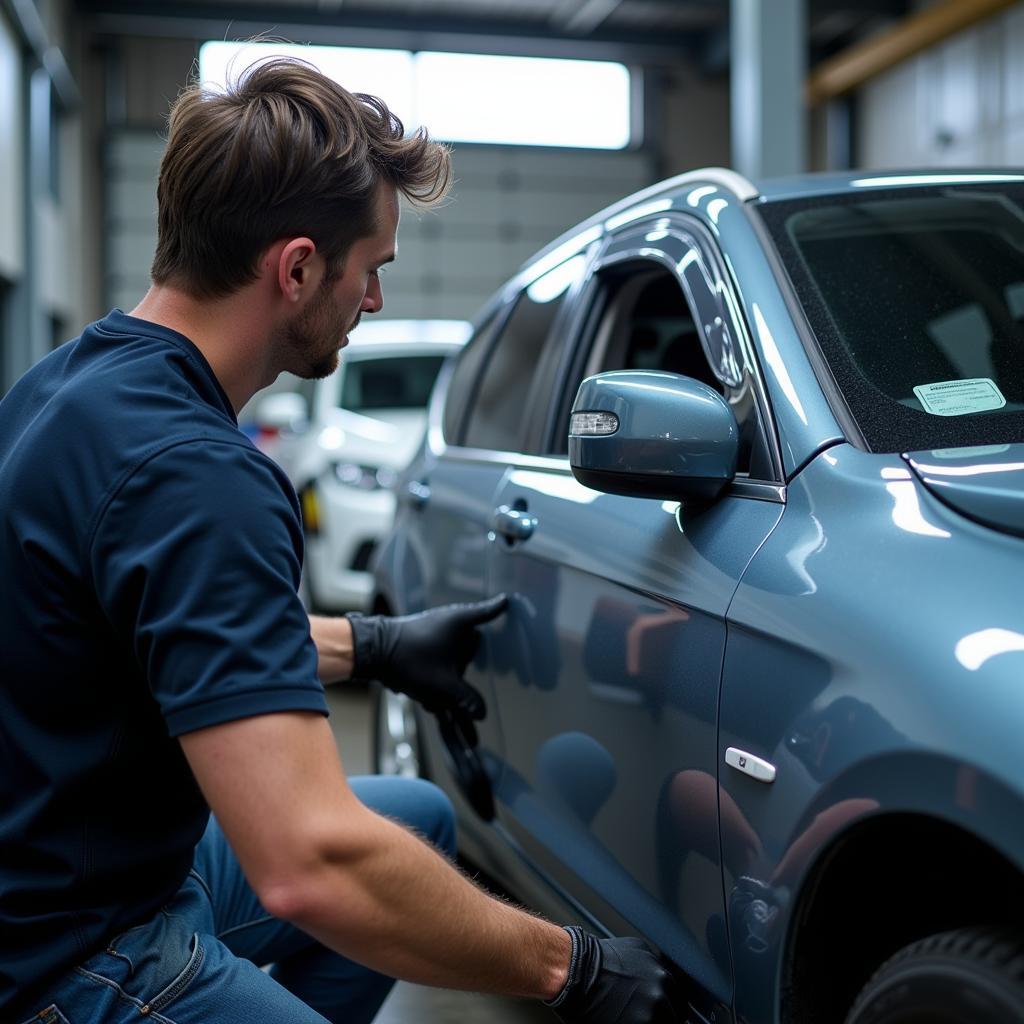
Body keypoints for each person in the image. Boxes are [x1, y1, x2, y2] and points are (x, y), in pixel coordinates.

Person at [0, 57, 681, 1024]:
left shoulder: (66, 386)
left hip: (72, 853)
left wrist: (376, 646)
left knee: (421, 820)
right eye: (373, 273)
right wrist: (572, 968)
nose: (374, 305)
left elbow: (139, 625)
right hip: (70, 951)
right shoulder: (200, 477)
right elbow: (307, 866)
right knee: (349, 863)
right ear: (299, 267)